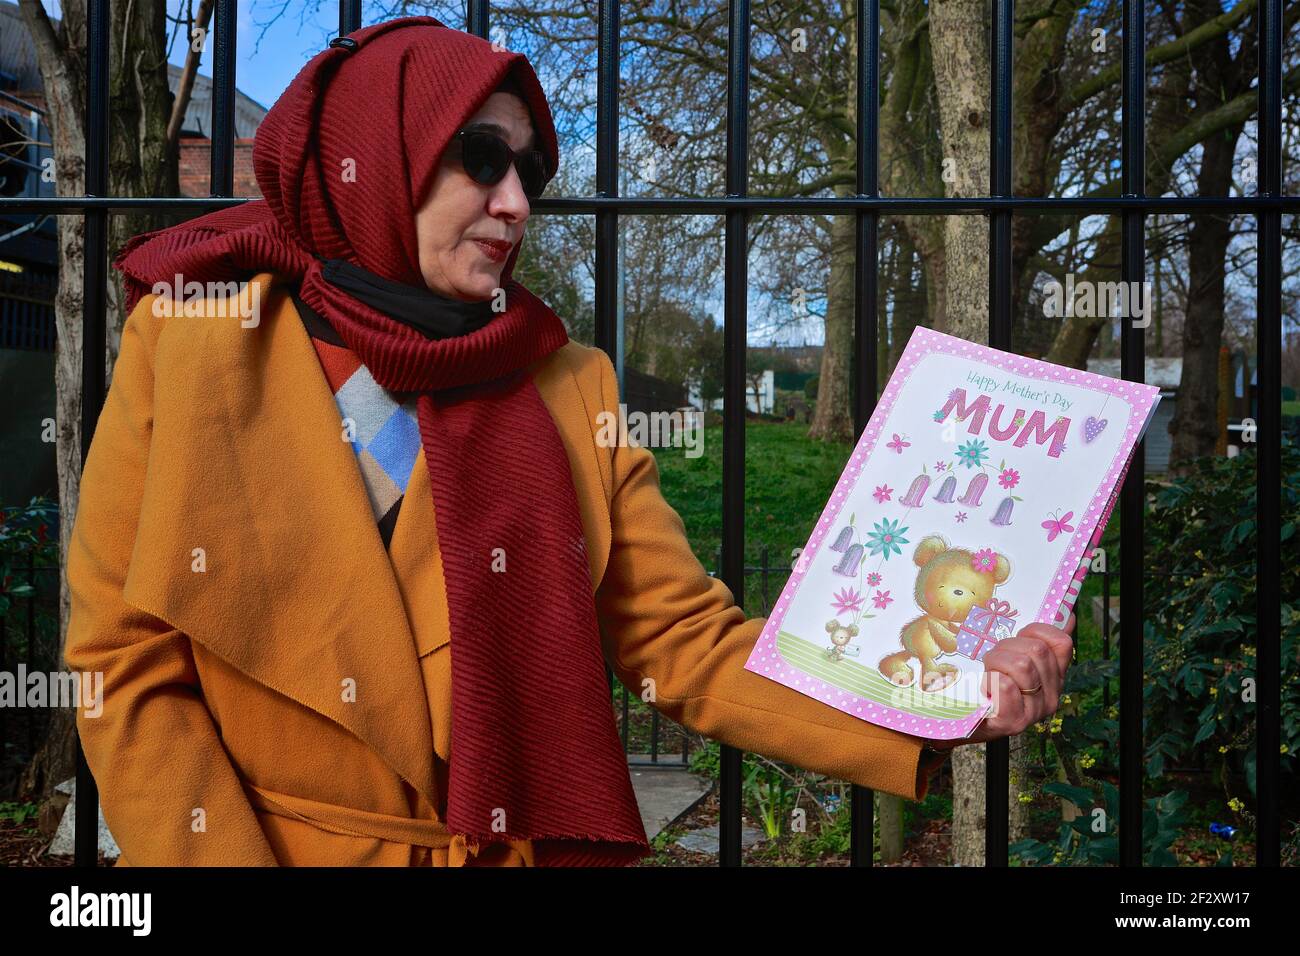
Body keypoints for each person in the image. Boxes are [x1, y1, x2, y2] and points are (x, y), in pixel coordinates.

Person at [63, 16, 1074, 867]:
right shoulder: (193, 339)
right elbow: (126, 660)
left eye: (530, 168)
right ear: (372, 153)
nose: (515, 200)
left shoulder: (565, 380)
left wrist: (937, 696)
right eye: (481, 158)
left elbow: (685, 645)